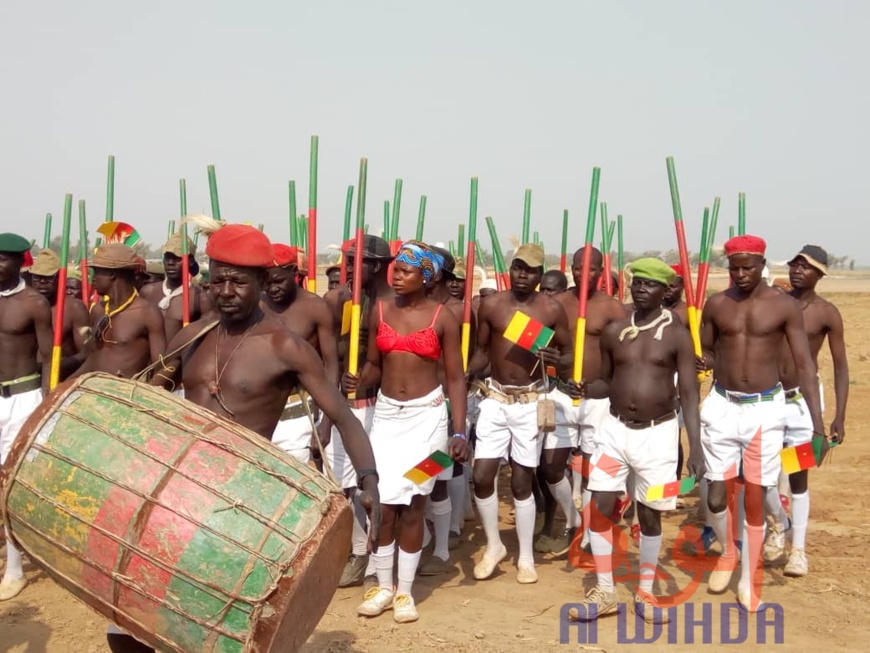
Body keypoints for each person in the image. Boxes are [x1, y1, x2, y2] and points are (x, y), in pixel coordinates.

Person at [568, 258, 703, 623]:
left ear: (664, 291)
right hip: (613, 432)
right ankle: (606, 589)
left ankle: (645, 590)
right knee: (601, 504)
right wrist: (583, 387)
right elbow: (605, 382)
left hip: (658, 437)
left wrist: (696, 448)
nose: (641, 289)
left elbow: (689, 395)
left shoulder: (677, 335)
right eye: (636, 283)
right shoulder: (614, 331)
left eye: (649, 285)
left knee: (651, 513)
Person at [698, 235, 825, 611]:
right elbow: (705, 350)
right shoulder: (717, 304)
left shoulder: (783, 306)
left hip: (766, 408)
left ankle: (751, 573)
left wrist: (817, 423)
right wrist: (700, 360)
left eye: (747, 267)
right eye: (734, 268)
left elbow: (804, 364)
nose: (740, 274)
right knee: (717, 494)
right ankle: (727, 552)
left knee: (755, 494)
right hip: (722, 404)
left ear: (762, 264)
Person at [344, 241, 468, 623]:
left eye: (405, 271)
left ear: (425, 276)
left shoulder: (443, 318)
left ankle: (404, 592)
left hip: (428, 422)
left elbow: (455, 377)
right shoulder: (377, 311)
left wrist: (459, 431)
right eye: (394, 269)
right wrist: (358, 380)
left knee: (415, 504)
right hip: (385, 419)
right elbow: (374, 365)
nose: (395, 276)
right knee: (380, 501)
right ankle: (382, 586)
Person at [468, 243, 571, 583]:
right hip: (495, 400)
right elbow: (483, 352)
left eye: (530, 269)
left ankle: (526, 557)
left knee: (523, 481)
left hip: (531, 402)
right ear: (509, 269)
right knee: (482, 476)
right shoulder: (492, 306)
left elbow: (569, 358)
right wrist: (465, 374)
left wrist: (557, 361)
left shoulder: (552, 309)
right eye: (517, 267)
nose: (523, 274)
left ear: (541, 274)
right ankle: (494, 545)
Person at [765, 245, 848, 577]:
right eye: (796, 264)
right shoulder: (772, 303)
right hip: (767, 399)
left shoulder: (826, 312)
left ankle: (797, 549)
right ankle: (777, 524)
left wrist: (837, 417)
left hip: (803, 403)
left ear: (821, 274)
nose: (799, 270)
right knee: (761, 475)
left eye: (807, 266)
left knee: (798, 477)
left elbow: (841, 367)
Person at [323, 235, 395, 589]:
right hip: (345, 402)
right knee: (344, 485)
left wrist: (365, 376)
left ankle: (419, 543)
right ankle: (358, 550)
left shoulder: (393, 305)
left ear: (377, 266)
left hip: (385, 407)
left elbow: (386, 361)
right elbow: (330, 353)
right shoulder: (339, 301)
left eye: (357, 262)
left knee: (385, 483)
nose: (349, 269)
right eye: (347, 261)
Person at [547, 248, 625, 554]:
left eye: (591, 269)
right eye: (578, 268)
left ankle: (592, 530)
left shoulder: (613, 308)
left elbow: (624, 354)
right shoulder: (556, 304)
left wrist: (609, 389)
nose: (583, 274)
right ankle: (573, 518)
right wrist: (548, 354)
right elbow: (538, 340)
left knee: (594, 472)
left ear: (601, 271)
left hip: (597, 398)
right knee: (552, 468)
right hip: (562, 393)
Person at [0, 234, 53, 601]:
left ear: (21, 263)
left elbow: (49, 355)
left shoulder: (34, 303)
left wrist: (47, 402)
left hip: (23, 398)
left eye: (3, 259)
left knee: (11, 482)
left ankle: (15, 568)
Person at [263, 243, 339, 464]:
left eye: (278, 281)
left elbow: (331, 366)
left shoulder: (316, 307)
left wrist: (326, 423)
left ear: (294, 273)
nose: (272, 289)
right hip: (261, 408)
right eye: (267, 283)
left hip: (299, 410)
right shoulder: (257, 305)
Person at [71, 244, 166, 380]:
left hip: (127, 394)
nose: (92, 278)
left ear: (112, 275)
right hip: (93, 388)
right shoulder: (98, 310)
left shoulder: (147, 313)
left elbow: (160, 367)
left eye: (97, 272)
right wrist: (64, 380)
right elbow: (92, 358)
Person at [29, 249, 91, 379]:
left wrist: (55, 366)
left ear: (60, 278)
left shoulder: (74, 308)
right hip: (27, 384)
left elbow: (88, 352)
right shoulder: (23, 306)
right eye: (37, 277)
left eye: (48, 278)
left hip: (61, 379)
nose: (42, 282)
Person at [140, 232, 211, 342]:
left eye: (177, 258)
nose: (170, 263)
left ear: (191, 261)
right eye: (167, 258)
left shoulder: (199, 298)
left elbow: (207, 339)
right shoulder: (148, 292)